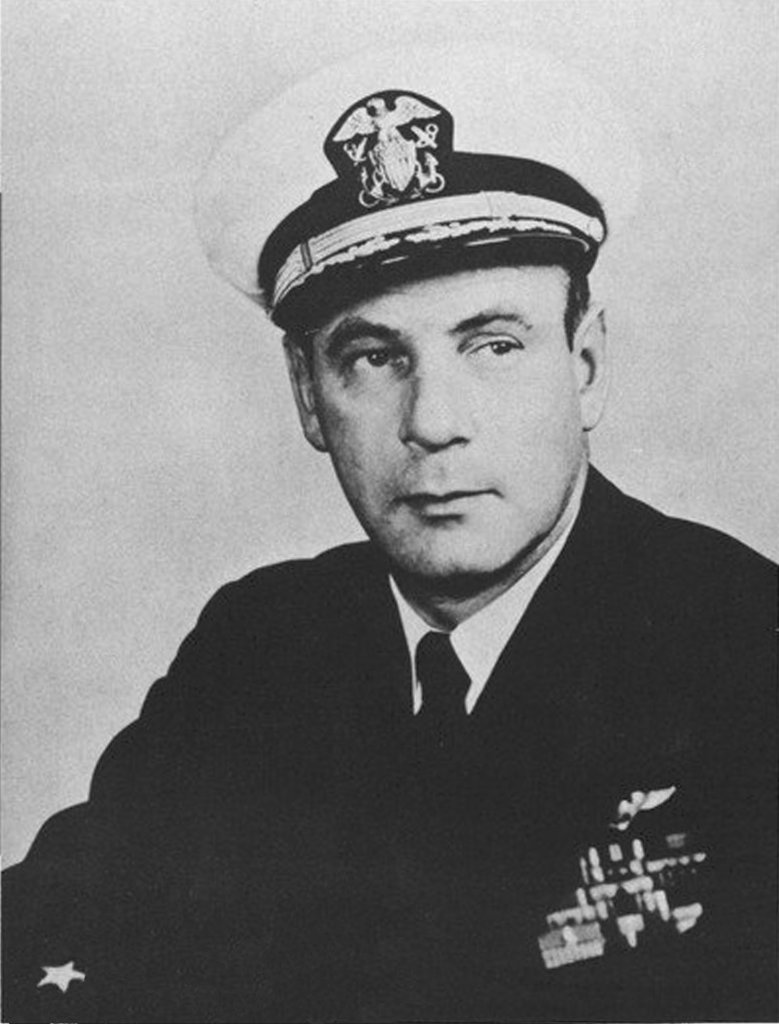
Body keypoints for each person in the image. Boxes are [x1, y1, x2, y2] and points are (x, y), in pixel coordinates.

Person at [3, 44, 776, 1024]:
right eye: (373, 358)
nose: (433, 422)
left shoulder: (745, 652)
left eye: (492, 345)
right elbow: (47, 943)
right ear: (308, 397)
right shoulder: (260, 649)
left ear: (584, 367)